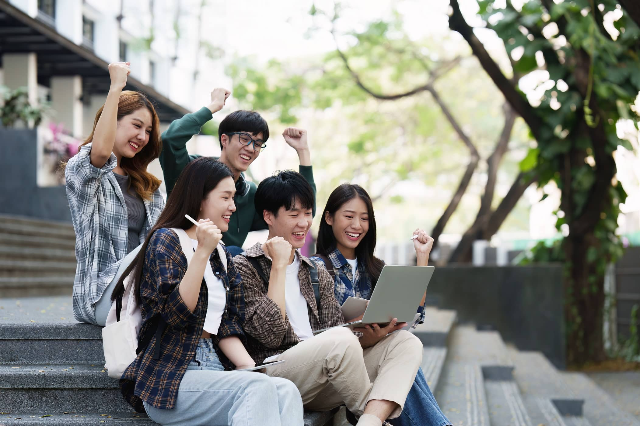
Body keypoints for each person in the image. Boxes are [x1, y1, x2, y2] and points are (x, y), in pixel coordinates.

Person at [112, 157, 303, 426]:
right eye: (225, 197)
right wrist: (201, 251)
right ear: (200, 198)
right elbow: (175, 314)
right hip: (172, 378)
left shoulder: (222, 254)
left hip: (214, 368)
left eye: (233, 198)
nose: (233, 207)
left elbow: (226, 325)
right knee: (255, 389)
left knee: (285, 390)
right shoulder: (166, 240)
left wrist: (251, 368)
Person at [234, 171, 424, 426]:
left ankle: (370, 422)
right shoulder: (244, 266)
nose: (303, 223)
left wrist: (373, 333)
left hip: (324, 376)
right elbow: (271, 334)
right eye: (294, 215)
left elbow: (337, 333)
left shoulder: (314, 271)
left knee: (405, 342)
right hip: (277, 373)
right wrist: (278, 266)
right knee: (340, 341)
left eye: (307, 213)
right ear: (269, 216)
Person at [311, 183, 451, 426]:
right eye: (349, 216)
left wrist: (422, 256)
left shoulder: (375, 268)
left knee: (402, 348)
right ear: (329, 218)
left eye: (364, 218)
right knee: (403, 361)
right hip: (337, 369)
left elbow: (414, 313)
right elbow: (315, 333)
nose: (357, 225)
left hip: (375, 355)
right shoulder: (315, 268)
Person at [65, 62, 164, 325]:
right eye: (136, 125)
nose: (143, 136)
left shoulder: (148, 187)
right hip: (101, 295)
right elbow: (99, 154)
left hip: (142, 291)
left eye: (148, 131)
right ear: (113, 121)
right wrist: (116, 87)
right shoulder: (83, 170)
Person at [159, 88, 316, 254]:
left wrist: (303, 151)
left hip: (225, 274)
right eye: (244, 139)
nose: (251, 148)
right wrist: (213, 107)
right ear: (224, 139)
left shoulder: (250, 194)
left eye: (257, 143)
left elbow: (303, 209)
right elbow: (170, 139)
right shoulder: (192, 171)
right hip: (176, 260)